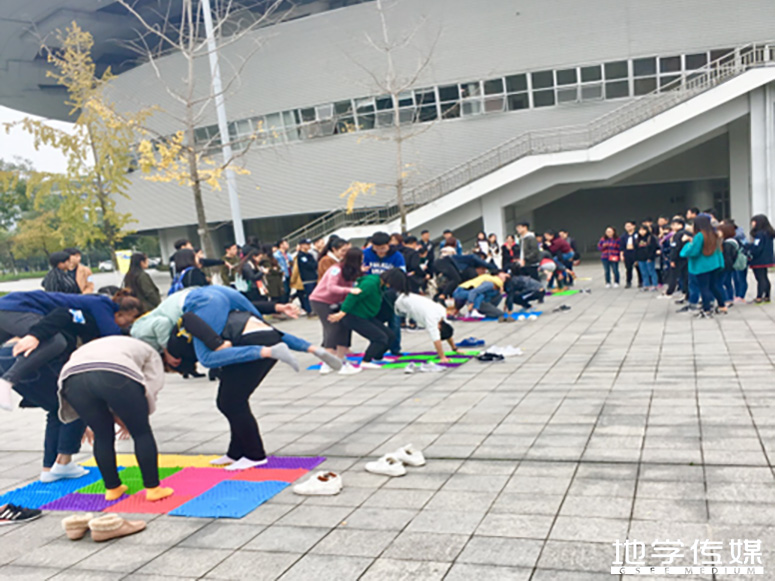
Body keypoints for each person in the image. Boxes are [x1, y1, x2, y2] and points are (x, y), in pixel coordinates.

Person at [58, 336, 174, 502]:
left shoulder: (99, 344)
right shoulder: (151, 352)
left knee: (102, 435)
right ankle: (153, 488)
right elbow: (151, 386)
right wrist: (136, 416)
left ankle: (112, 488)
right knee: (141, 433)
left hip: (72, 379)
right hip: (115, 374)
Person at [0, 290, 141, 411]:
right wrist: (35, 336)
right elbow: (112, 335)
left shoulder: (91, 310)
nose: (127, 325)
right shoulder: (102, 305)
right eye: (128, 321)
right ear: (119, 314)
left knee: (56, 341)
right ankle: (8, 380)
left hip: (10, 306)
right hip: (18, 307)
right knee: (55, 341)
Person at [0, 346, 86, 482]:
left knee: (57, 409)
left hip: (11, 356)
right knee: (77, 403)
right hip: (29, 358)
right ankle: (63, 463)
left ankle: (50, 468)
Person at [383, 269, 458, 363]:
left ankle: (392, 349)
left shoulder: (441, 313)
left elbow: (447, 331)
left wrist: (455, 348)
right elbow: (436, 339)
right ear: (439, 327)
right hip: (397, 302)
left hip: (405, 296)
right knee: (385, 323)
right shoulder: (432, 320)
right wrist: (442, 357)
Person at [310, 248, 364, 375]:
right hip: (321, 301)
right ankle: (327, 363)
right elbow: (331, 287)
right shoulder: (336, 269)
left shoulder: (350, 271)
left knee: (343, 327)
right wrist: (349, 290)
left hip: (337, 302)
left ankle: (340, 359)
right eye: (361, 259)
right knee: (332, 328)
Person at [327, 273, 395, 369]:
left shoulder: (379, 284)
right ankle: (365, 361)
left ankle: (377, 357)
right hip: (353, 316)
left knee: (390, 336)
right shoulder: (370, 284)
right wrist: (342, 313)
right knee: (380, 338)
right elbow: (353, 296)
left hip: (366, 316)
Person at [680, 213, 727, 317]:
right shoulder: (714, 234)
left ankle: (707, 310)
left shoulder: (700, 235)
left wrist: (687, 245)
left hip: (702, 265)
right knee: (714, 286)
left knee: (704, 288)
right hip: (715, 264)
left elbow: (694, 251)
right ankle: (722, 306)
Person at [747, 214, 775, 303]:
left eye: (753, 221)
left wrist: (750, 252)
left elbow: (757, 247)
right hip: (767, 258)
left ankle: (759, 296)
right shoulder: (768, 233)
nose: (752, 223)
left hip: (759, 259)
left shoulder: (759, 234)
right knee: (765, 277)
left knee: (760, 278)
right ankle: (767, 296)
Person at [291, 239, 318, 315]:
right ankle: (309, 310)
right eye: (307, 244)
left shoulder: (309, 255)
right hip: (306, 279)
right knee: (308, 295)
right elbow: (309, 265)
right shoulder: (301, 256)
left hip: (314, 277)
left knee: (314, 294)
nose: (309, 246)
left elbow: (315, 264)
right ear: (302, 245)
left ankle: (314, 309)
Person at [665, 217, 690, 300]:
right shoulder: (688, 233)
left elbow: (675, 248)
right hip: (687, 258)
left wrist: (672, 259)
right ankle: (687, 293)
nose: (673, 226)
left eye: (675, 224)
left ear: (681, 225)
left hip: (678, 258)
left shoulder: (677, 235)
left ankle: (670, 291)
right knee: (686, 276)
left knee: (674, 276)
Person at [719, 222, 740, 307]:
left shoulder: (727, 243)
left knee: (722, 283)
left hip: (726, 266)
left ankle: (727, 299)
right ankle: (730, 298)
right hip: (730, 266)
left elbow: (727, 257)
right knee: (728, 283)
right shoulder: (733, 241)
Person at [635, 223, 659, 291]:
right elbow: (636, 249)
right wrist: (636, 259)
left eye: (643, 230)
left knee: (651, 271)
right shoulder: (638, 239)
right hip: (640, 258)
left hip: (649, 258)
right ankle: (646, 285)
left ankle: (654, 285)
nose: (642, 232)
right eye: (640, 230)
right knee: (643, 272)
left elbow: (653, 248)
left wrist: (650, 257)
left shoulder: (651, 238)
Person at [619, 221, 641, 289]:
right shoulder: (623, 236)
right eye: (626, 226)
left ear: (633, 226)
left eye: (629, 226)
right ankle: (628, 282)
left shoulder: (638, 234)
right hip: (627, 252)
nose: (627, 228)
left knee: (638, 268)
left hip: (636, 252)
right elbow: (621, 246)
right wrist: (621, 255)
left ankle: (641, 282)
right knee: (628, 268)